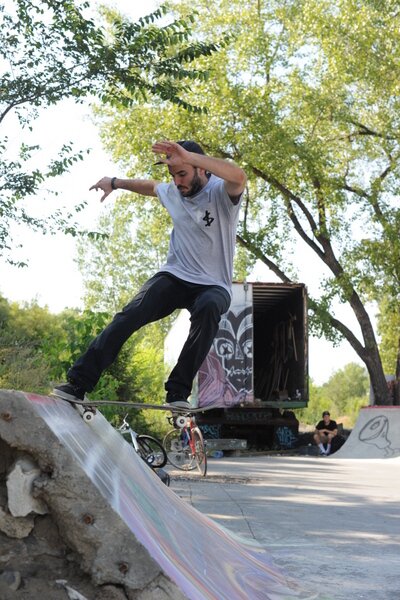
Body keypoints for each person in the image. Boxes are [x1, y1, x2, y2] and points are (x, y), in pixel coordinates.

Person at [54, 140, 247, 410]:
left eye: (182, 174)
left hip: (213, 284)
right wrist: (115, 181)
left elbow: (239, 176)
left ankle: (178, 391)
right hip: (175, 277)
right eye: (173, 176)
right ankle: (78, 384)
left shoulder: (221, 193)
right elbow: (150, 187)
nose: (177, 183)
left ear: (202, 170)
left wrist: (190, 156)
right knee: (130, 314)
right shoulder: (174, 192)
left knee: (210, 306)